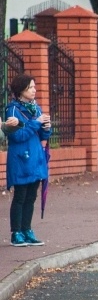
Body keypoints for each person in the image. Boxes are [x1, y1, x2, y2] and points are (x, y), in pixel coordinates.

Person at [5, 74, 51, 246]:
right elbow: (18, 136)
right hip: (21, 158)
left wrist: (46, 127)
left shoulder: (36, 108)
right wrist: (36, 123)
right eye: (31, 87)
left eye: (34, 87)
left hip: (35, 157)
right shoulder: (13, 110)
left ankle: (27, 229)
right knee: (20, 195)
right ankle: (16, 232)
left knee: (31, 195)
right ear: (21, 90)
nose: (34, 90)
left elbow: (41, 136)